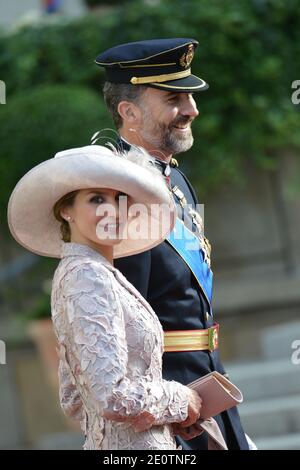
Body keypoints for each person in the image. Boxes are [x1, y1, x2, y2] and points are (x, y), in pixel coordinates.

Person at [95, 38, 254, 449]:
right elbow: (124, 330)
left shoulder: (175, 179)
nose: (192, 109)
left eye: (190, 96)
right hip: (166, 409)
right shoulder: (115, 194)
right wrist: (165, 415)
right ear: (129, 112)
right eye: (173, 99)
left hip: (208, 386)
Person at [7, 145, 203, 450]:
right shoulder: (87, 276)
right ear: (65, 209)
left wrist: (161, 419)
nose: (112, 210)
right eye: (97, 199)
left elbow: (73, 398)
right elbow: (112, 395)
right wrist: (181, 400)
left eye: (119, 199)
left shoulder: (84, 272)